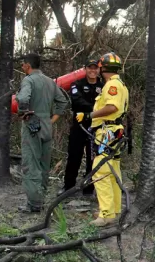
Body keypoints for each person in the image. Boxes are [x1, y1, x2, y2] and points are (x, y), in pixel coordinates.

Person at [76, 52, 129, 227]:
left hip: (108, 132)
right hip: (113, 132)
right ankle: (113, 211)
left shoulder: (111, 85)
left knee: (100, 171)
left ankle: (105, 214)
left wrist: (89, 115)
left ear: (103, 67)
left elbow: (111, 106)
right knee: (113, 172)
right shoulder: (118, 84)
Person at [16, 53, 68, 213]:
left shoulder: (28, 80)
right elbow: (63, 101)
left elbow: (23, 98)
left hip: (33, 124)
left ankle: (34, 204)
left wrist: (25, 113)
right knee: (44, 164)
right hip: (46, 124)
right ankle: (41, 198)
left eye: (23, 64)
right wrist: (52, 119)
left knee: (31, 163)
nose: (22, 67)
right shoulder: (49, 81)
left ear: (27, 65)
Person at [58, 58, 104, 197]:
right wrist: (95, 110)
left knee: (93, 158)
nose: (92, 70)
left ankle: (89, 188)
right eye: (90, 68)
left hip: (96, 127)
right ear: (85, 69)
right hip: (79, 126)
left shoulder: (103, 86)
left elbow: (107, 104)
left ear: (99, 70)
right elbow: (77, 101)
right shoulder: (76, 84)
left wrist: (95, 113)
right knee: (74, 157)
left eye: (95, 68)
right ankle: (68, 187)